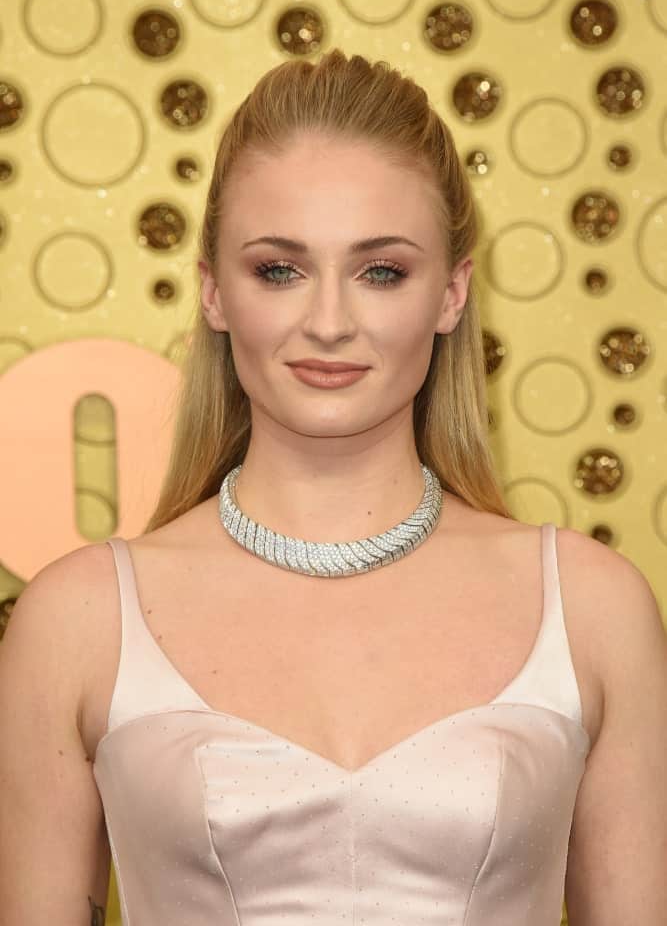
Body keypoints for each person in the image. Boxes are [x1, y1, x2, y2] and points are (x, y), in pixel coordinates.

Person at [1, 49, 665, 926]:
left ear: (452, 293)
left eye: (379, 271)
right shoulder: (76, 621)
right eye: (279, 269)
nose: (327, 321)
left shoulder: (592, 607)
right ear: (212, 293)